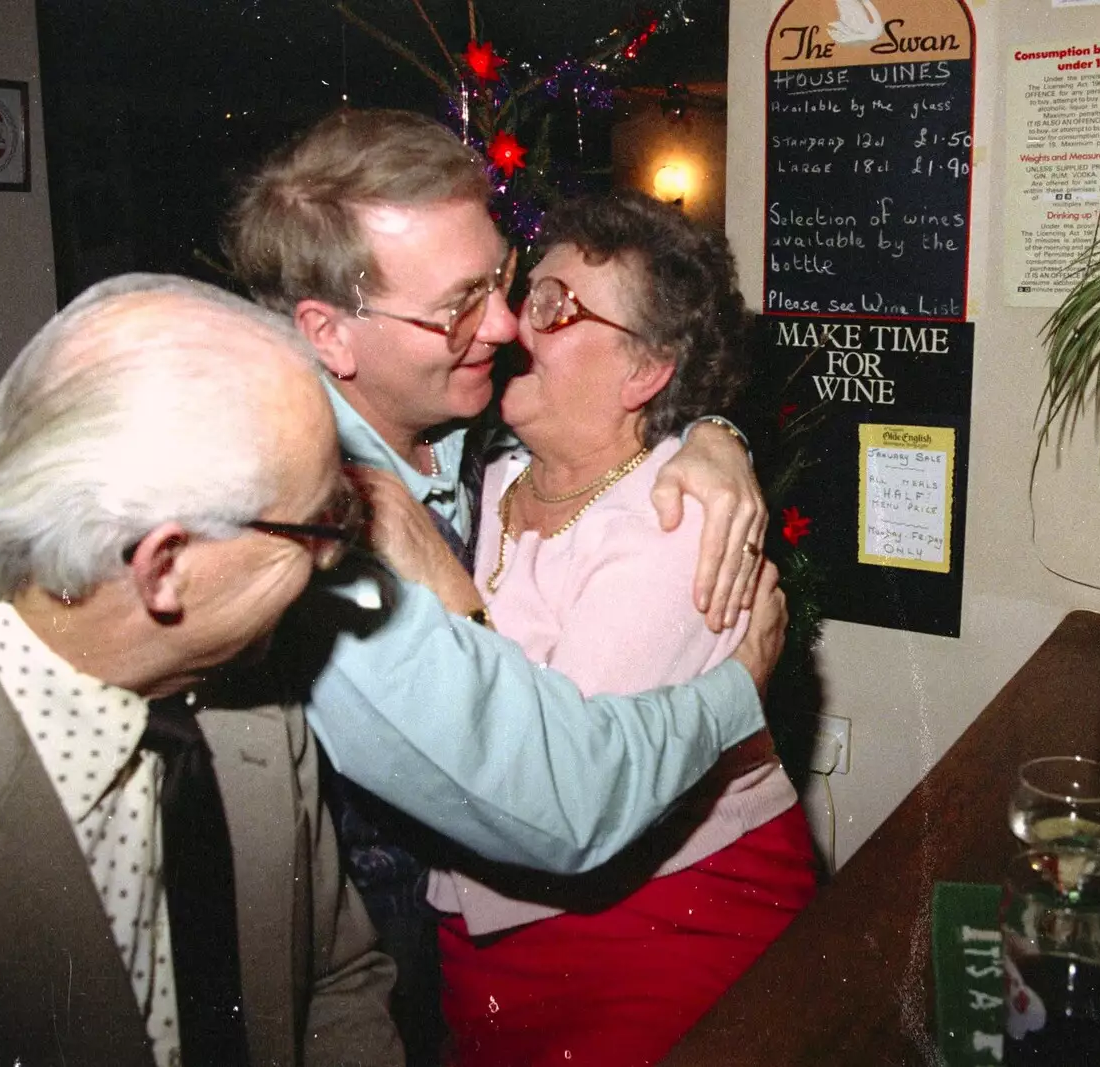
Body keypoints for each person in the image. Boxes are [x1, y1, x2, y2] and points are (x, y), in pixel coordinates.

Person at [223, 108, 784, 1064]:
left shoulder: (455, 430)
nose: (506, 322)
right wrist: (739, 688)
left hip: (600, 945)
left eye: (503, 283)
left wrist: (711, 438)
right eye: (460, 304)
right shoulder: (315, 526)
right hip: (371, 952)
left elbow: (613, 450)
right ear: (331, 335)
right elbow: (561, 793)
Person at [0, 275, 401, 1066]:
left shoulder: (254, 690)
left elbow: (337, 977)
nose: (331, 560)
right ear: (164, 567)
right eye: (316, 528)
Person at [370, 192, 818, 1066]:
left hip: (662, 937)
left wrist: (434, 573)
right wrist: (722, 431)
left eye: (552, 305)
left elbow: (545, 775)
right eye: (516, 292)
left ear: (645, 370)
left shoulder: (680, 521)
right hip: (490, 947)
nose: (504, 324)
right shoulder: (484, 476)